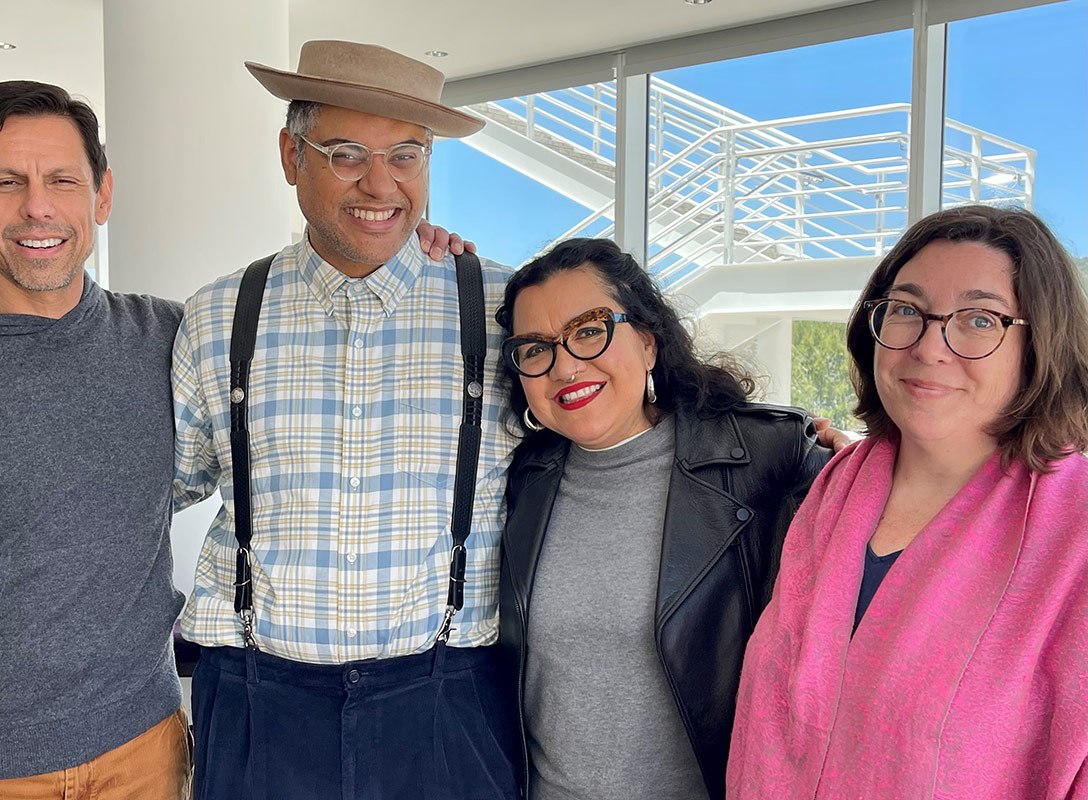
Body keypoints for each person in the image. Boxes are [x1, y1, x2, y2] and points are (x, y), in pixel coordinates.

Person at [172, 41, 524, 799]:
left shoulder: (502, 308)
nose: (380, 184)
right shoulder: (217, 315)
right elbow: (158, 485)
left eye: (407, 155)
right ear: (289, 155)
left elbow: (623, 426)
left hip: (450, 696)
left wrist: (796, 450)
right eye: (344, 154)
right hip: (258, 694)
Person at [0, 81, 191, 800]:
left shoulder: (170, 340)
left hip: (144, 748)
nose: (37, 207)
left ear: (102, 195)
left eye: (62, 180)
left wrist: (423, 251)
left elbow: (298, 339)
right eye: (6, 182)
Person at [728, 205, 1088, 799]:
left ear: (1040, 343)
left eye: (979, 319)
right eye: (905, 310)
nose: (928, 347)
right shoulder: (834, 488)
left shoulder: (1072, 534)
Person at [493, 237, 832, 800]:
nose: (566, 365)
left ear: (648, 342)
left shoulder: (766, 459)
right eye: (536, 348)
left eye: (590, 329)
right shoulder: (519, 478)